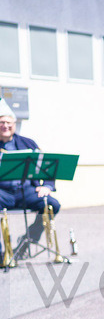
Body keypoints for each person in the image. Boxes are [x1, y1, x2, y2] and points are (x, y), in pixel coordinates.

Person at [0, 105, 59, 260]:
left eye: (8, 122)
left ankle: (29, 239)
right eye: (1, 122)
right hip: (3, 193)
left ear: (14, 124)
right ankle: (2, 254)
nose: (5, 126)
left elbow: (46, 166)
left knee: (52, 204)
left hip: (26, 191)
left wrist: (47, 185)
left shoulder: (28, 143)